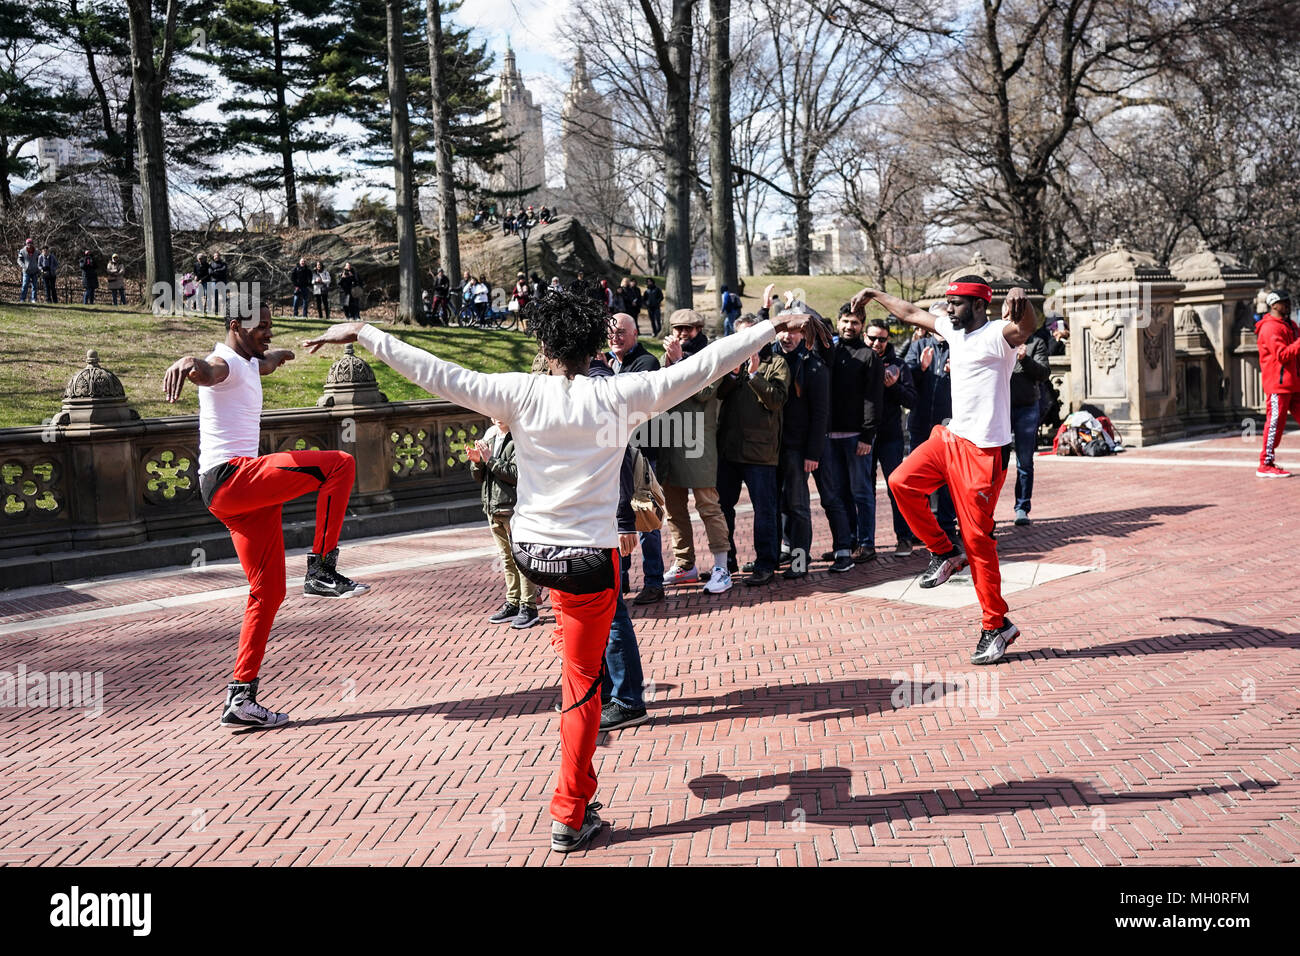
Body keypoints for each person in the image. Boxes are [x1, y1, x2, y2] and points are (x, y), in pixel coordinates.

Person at [301, 290, 824, 852]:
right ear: (595, 344)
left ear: (544, 345)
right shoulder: (622, 395)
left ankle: (580, 776)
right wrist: (769, 327)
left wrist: (364, 332)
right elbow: (706, 365)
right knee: (581, 690)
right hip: (586, 559)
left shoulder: (518, 392)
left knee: (576, 649)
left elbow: (435, 372)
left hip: (535, 554)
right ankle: (570, 814)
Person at [162, 304, 368, 730]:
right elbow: (208, 370)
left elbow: (270, 362)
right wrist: (189, 364)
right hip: (231, 478)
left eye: (271, 328)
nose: (268, 335)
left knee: (268, 591)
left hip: (234, 497)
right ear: (235, 326)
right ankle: (322, 569)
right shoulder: (226, 363)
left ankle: (241, 696)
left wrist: (289, 351)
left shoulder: (253, 361)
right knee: (339, 464)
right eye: (262, 328)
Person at [857, 276, 1037, 665]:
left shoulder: (997, 335)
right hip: (949, 438)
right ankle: (943, 551)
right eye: (948, 303)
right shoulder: (953, 330)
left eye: (955, 303)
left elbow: (1025, 327)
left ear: (977, 305)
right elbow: (909, 311)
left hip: (984, 453)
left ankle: (996, 626)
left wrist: (1022, 301)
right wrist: (872, 294)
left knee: (979, 542)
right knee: (900, 482)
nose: (947, 309)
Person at [657, 309, 735, 594]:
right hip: (669, 438)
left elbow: (704, 393)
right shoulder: (666, 356)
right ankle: (684, 563)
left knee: (708, 506)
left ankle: (722, 567)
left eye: (688, 329)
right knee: (674, 510)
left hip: (698, 441)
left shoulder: (712, 356)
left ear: (699, 329)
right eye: (677, 328)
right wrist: (668, 363)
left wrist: (679, 361)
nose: (682, 333)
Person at [716, 313, 790, 586]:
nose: (748, 341)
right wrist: (735, 374)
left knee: (765, 510)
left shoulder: (777, 363)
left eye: (752, 335)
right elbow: (718, 394)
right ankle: (727, 561)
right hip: (728, 450)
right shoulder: (730, 363)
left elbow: (776, 400)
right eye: (742, 336)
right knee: (722, 508)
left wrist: (755, 374)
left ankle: (766, 563)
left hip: (761, 453)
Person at [816, 304, 884, 570]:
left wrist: (868, 435)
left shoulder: (869, 356)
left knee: (861, 493)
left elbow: (873, 399)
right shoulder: (830, 353)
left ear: (862, 325)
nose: (849, 327)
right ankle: (846, 542)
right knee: (839, 494)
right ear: (838, 321)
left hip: (857, 436)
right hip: (830, 436)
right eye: (845, 321)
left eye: (855, 322)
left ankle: (867, 543)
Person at [768, 286, 830, 578]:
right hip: (771, 447)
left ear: (803, 333)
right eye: (782, 330)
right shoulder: (769, 358)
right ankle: (784, 549)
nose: (786, 336)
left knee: (797, 505)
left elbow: (820, 414)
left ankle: (799, 560)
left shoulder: (813, 365)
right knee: (778, 504)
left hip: (798, 447)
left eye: (793, 331)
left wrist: (813, 453)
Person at [608, 312, 665, 605]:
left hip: (641, 454)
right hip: (614, 453)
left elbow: (625, 398)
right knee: (618, 518)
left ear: (635, 334)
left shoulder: (647, 363)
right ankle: (623, 578)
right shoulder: (607, 364)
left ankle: (654, 581)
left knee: (645, 517)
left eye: (620, 333)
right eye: (611, 333)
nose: (614, 337)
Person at [471, 418, 541, 628]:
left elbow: (516, 474)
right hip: (493, 508)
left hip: (513, 508)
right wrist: (477, 462)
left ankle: (529, 607)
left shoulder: (521, 436)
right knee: (507, 559)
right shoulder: (490, 436)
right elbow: (480, 477)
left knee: (521, 559)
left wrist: (490, 459)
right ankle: (513, 602)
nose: (497, 415)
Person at [902, 313, 958, 544]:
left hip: (948, 423)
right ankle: (922, 527)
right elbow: (905, 378)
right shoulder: (919, 345)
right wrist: (921, 368)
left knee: (947, 477)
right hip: (920, 422)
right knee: (918, 476)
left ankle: (947, 525)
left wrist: (958, 370)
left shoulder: (958, 345)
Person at [864, 318, 918, 555]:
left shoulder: (898, 365)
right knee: (863, 491)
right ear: (865, 337)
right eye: (872, 338)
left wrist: (893, 386)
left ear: (888, 340)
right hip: (862, 436)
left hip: (889, 437)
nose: (877, 343)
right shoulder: (857, 361)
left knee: (896, 487)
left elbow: (911, 400)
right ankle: (864, 542)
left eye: (882, 339)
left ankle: (904, 537)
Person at [1009, 317, 1051, 523]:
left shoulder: (1037, 343)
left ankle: (1022, 507)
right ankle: (985, 509)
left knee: (1024, 461)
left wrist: (1025, 359)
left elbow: (1044, 373)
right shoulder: (1000, 341)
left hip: (1027, 407)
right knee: (994, 462)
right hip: (1001, 407)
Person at [1256, 289, 1300, 478]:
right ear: (1274, 305)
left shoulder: (1291, 325)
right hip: (1278, 385)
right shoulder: (1269, 327)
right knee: (1275, 424)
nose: (1288, 305)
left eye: (1289, 301)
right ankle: (1265, 464)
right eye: (1284, 302)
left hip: (1295, 383)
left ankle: (1268, 462)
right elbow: (1282, 355)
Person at [209, 252, 230, 317]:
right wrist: (218, 272)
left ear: (219, 256)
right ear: (213, 257)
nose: (216, 257)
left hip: (223, 282)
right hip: (214, 282)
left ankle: (226, 311)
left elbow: (224, 270)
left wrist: (216, 271)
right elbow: (210, 272)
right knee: (215, 297)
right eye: (215, 256)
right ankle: (216, 311)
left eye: (217, 256)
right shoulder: (211, 264)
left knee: (224, 297)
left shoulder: (224, 264)